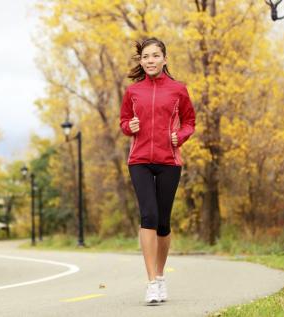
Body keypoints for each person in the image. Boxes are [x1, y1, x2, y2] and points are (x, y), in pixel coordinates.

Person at [119, 37, 196, 305]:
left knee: (163, 223)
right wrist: (131, 127)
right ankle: (151, 283)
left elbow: (190, 121)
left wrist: (181, 136)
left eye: (154, 56)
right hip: (139, 159)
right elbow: (124, 121)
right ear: (141, 61)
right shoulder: (133, 91)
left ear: (164, 59)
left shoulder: (178, 90)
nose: (150, 60)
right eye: (145, 57)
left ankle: (161, 276)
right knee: (148, 216)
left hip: (168, 160)